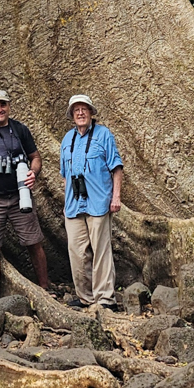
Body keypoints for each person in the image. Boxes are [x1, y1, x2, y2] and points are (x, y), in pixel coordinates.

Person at [0, 90, 49, 299]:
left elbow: (36, 157)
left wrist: (33, 173)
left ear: (9, 106)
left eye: (3, 104)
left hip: (19, 195)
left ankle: (45, 289)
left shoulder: (20, 130)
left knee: (34, 242)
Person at [60, 93, 123, 310]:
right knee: (77, 253)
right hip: (74, 205)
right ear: (71, 115)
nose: (80, 113)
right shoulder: (67, 139)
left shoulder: (104, 135)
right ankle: (85, 297)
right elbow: (65, 174)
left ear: (91, 112)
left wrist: (116, 197)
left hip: (99, 202)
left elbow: (117, 168)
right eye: (76, 110)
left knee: (101, 251)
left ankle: (105, 299)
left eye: (84, 109)